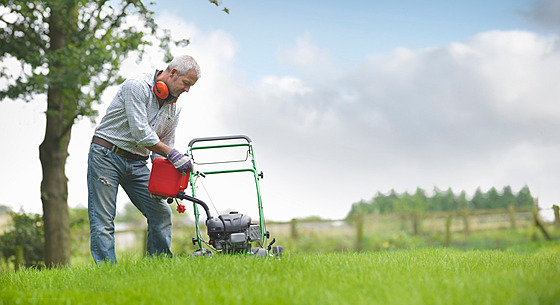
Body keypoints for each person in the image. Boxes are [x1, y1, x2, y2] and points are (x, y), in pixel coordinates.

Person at [87, 55, 200, 264]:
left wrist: (165, 182)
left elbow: (164, 148)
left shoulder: (173, 108)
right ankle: (107, 272)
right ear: (173, 73)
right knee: (103, 220)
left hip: (138, 162)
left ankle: (159, 266)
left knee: (161, 212)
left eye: (190, 86)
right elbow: (141, 133)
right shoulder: (136, 86)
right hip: (106, 156)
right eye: (186, 83)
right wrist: (174, 156)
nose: (187, 90)